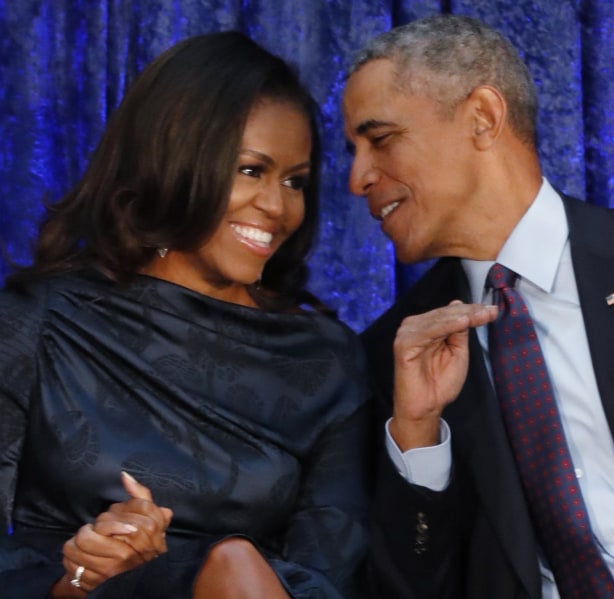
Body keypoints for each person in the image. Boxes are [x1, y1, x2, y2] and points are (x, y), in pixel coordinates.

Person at [342, 13, 614, 599]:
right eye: (353, 151)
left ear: (483, 118)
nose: (358, 177)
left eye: (380, 139)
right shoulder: (397, 355)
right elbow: (411, 588)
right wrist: (418, 435)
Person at [0, 31, 370, 599]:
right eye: (251, 170)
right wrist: (80, 576)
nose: (277, 206)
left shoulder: (327, 361)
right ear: (174, 159)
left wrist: (222, 569)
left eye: (295, 181)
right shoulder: (42, 320)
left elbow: (329, 578)